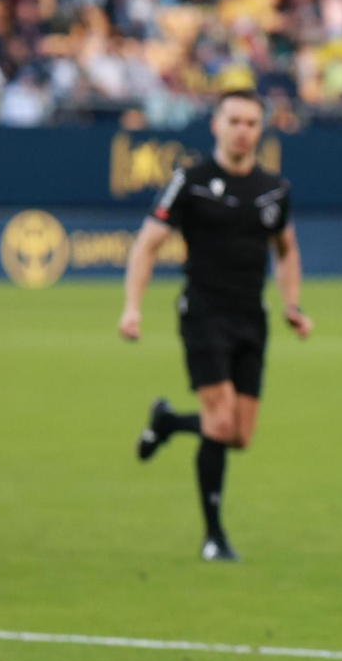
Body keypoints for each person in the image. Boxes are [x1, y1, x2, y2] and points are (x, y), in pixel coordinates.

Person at [120, 89, 311, 562]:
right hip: (203, 313)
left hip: (252, 317)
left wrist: (292, 305)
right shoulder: (191, 181)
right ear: (216, 125)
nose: (242, 130)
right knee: (221, 421)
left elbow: (285, 249)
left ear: (260, 129)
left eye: (250, 122)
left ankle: (166, 422)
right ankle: (213, 536)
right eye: (234, 121)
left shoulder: (273, 190)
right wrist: (132, 307)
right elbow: (147, 245)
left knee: (239, 435)